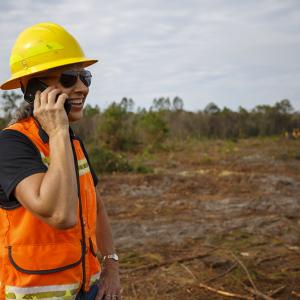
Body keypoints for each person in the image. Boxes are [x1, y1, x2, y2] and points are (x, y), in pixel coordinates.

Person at [0, 22, 121, 300]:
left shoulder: (72, 142)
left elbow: (97, 208)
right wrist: (56, 131)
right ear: (34, 90)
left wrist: (111, 265)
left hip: (89, 290)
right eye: (68, 78)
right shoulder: (11, 145)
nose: (82, 88)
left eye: (85, 77)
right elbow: (60, 215)